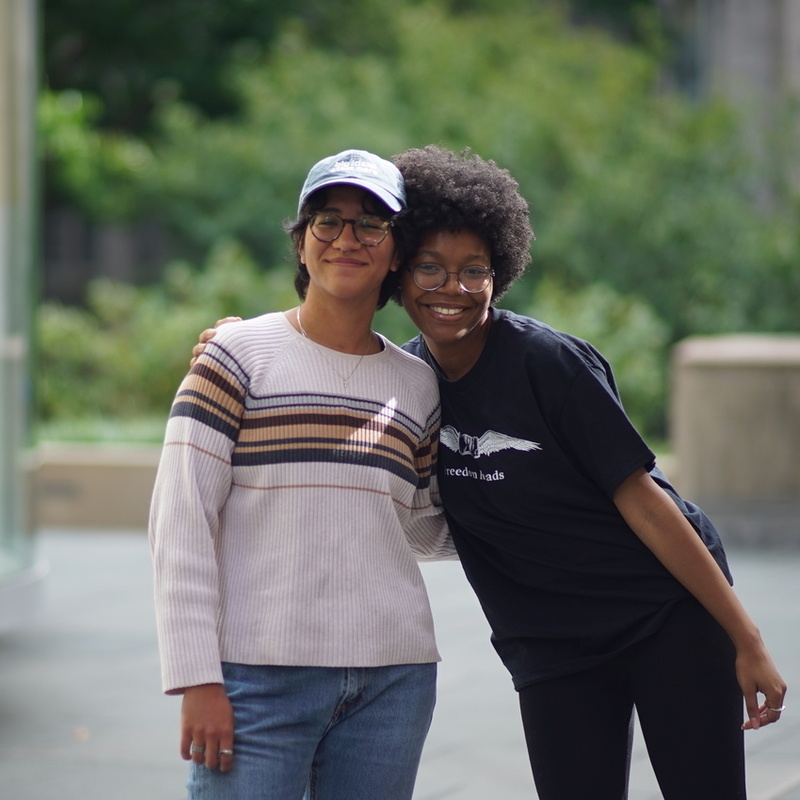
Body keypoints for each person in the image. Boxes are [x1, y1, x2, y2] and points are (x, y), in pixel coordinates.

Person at [193, 145, 787, 800]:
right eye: (430, 268)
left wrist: (746, 638)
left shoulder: (548, 363)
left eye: (474, 270)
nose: (453, 288)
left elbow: (647, 503)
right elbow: (337, 410)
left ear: (498, 272)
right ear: (396, 271)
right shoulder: (407, 381)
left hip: (664, 618)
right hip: (550, 646)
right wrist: (240, 342)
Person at [150, 149, 454, 800]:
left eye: (371, 224)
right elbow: (181, 523)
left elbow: (424, 529)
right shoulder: (237, 357)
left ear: (397, 252)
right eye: (327, 220)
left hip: (394, 681)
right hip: (256, 679)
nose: (347, 238)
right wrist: (196, 677)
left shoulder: (418, 384)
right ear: (301, 243)